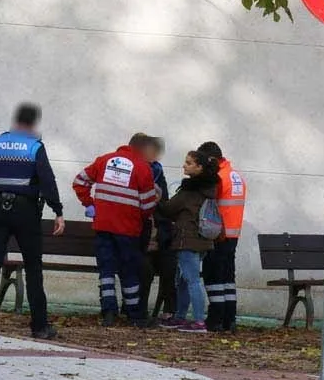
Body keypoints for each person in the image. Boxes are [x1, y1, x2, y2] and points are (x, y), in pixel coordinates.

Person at [0, 102, 65, 340]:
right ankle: (40, 325)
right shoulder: (34, 147)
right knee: (33, 267)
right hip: (26, 212)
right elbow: (47, 180)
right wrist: (58, 210)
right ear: (33, 123)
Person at [73, 134, 158, 327]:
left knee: (107, 269)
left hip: (103, 226)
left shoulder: (104, 160)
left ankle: (109, 312)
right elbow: (148, 204)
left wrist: (90, 203)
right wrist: (139, 216)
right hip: (128, 229)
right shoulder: (142, 168)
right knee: (129, 270)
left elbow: (79, 182)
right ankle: (135, 315)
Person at [157, 150, 220, 333]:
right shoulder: (209, 190)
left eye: (189, 162)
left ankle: (199, 320)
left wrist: (158, 198)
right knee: (183, 280)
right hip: (203, 240)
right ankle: (180, 316)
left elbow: (169, 209)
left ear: (199, 167)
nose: (184, 165)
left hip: (187, 239)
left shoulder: (190, 190)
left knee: (191, 280)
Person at [197, 141, 246, 333]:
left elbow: (209, 202)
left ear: (211, 159)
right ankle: (229, 318)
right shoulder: (236, 177)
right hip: (233, 235)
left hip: (218, 234)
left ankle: (215, 318)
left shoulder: (218, 177)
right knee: (227, 277)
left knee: (213, 275)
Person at [136, 135, 177, 323]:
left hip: (159, 234)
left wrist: (158, 204)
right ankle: (138, 309)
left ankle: (169, 311)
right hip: (140, 235)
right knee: (145, 269)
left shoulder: (158, 172)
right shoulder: (134, 170)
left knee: (169, 266)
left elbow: (166, 205)